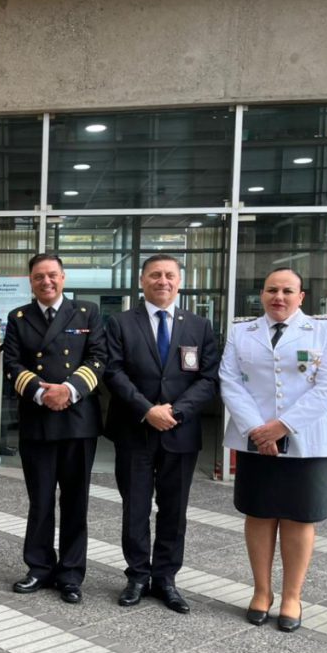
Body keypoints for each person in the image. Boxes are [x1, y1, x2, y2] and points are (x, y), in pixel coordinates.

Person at [220, 268, 327, 632]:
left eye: (287, 291)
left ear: (301, 297)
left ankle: (292, 596)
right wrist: (258, 431)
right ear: (261, 294)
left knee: (299, 516)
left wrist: (282, 426)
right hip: (255, 438)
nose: (279, 297)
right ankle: (262, 592)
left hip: (308, 439)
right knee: (259, 513)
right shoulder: (241, 331)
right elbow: (229, 381)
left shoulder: (324, 330)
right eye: (271, 290)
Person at [104, 253, 220, 613]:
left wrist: (176, 411)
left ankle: (166, 578)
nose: (163, 281)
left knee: (174, 509)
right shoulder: (120, 323)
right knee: (135, 507)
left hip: (180, 432)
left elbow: (209, 378)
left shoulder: (199, 326)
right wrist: (146, 410)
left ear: (179, 282)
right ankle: (137, 575)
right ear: (142, 281)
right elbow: (113, 372)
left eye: (170, 275)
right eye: (155, 275)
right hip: (135, 429)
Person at [3, 254, 105, 604]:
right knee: (41, 500)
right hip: (38, 418)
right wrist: (41, 393)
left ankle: (72, 574)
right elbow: (12, 364)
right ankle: (39, 567)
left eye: (51, 276)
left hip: (78, 420)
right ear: (30, 281)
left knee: (76, 501)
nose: (45, 282)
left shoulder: (87, 312)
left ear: (63, 277)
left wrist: (69, 390)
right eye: (38, 277)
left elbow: (98, 357)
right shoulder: (18, 318)